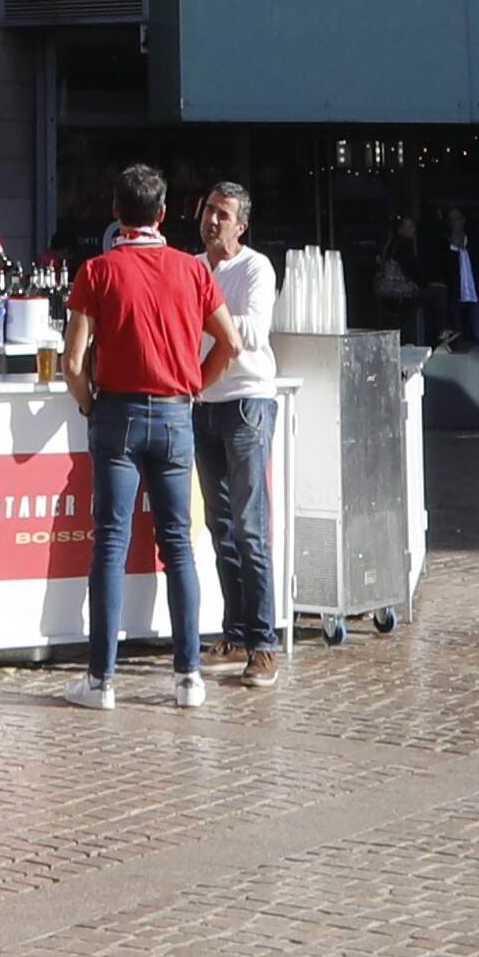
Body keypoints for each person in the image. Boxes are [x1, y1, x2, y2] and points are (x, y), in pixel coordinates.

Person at [58, 162, 241, 713]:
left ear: (116, 212)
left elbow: (72, 361)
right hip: (175, 414)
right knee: (178, 545)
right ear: (163, 214)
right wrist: (193, 386)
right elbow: (231, 343)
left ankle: (101, 680)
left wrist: (89, 403)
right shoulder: (191, 270)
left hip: (117, 413)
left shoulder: (97, 271)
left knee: (110, 544)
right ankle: (188, 676)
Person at [192, 181, 280, 689]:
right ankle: (236, 632)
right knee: (220, 525)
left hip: (246, 402)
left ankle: (264, 643)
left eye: (222, 215)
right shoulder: (192, 266)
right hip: (204, 402)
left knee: (250, 527)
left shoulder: (255, 268)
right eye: (209, 211)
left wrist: (202, 317)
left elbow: (251, 331)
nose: (212, 221)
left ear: (241, 226)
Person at [432, 208, 479, 346]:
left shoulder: (475, 242)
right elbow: (445, 269)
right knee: (458, 335)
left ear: (463, 220)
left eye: (456, 219)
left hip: (474, 296)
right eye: (451, 220)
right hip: (456, 296)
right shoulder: (445, 245)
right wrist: (453, 248)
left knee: (478, 335)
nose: (454, 223)